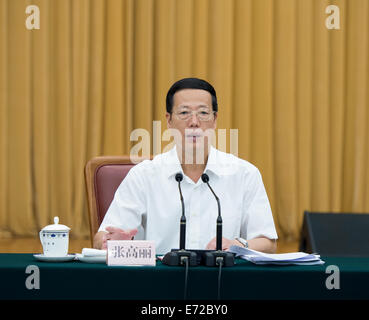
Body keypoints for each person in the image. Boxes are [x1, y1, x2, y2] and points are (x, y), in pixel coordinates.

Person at [94, 78, 278, 254]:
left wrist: (237, 244)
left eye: (203, 113)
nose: (194, 122)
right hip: (159, 282)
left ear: (214, 120)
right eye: (184, 113)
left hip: (222, 282)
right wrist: (112, 241)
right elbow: (100, 238)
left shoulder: (244, 174)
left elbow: (268, 242)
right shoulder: (144, 175)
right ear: (169, 121)